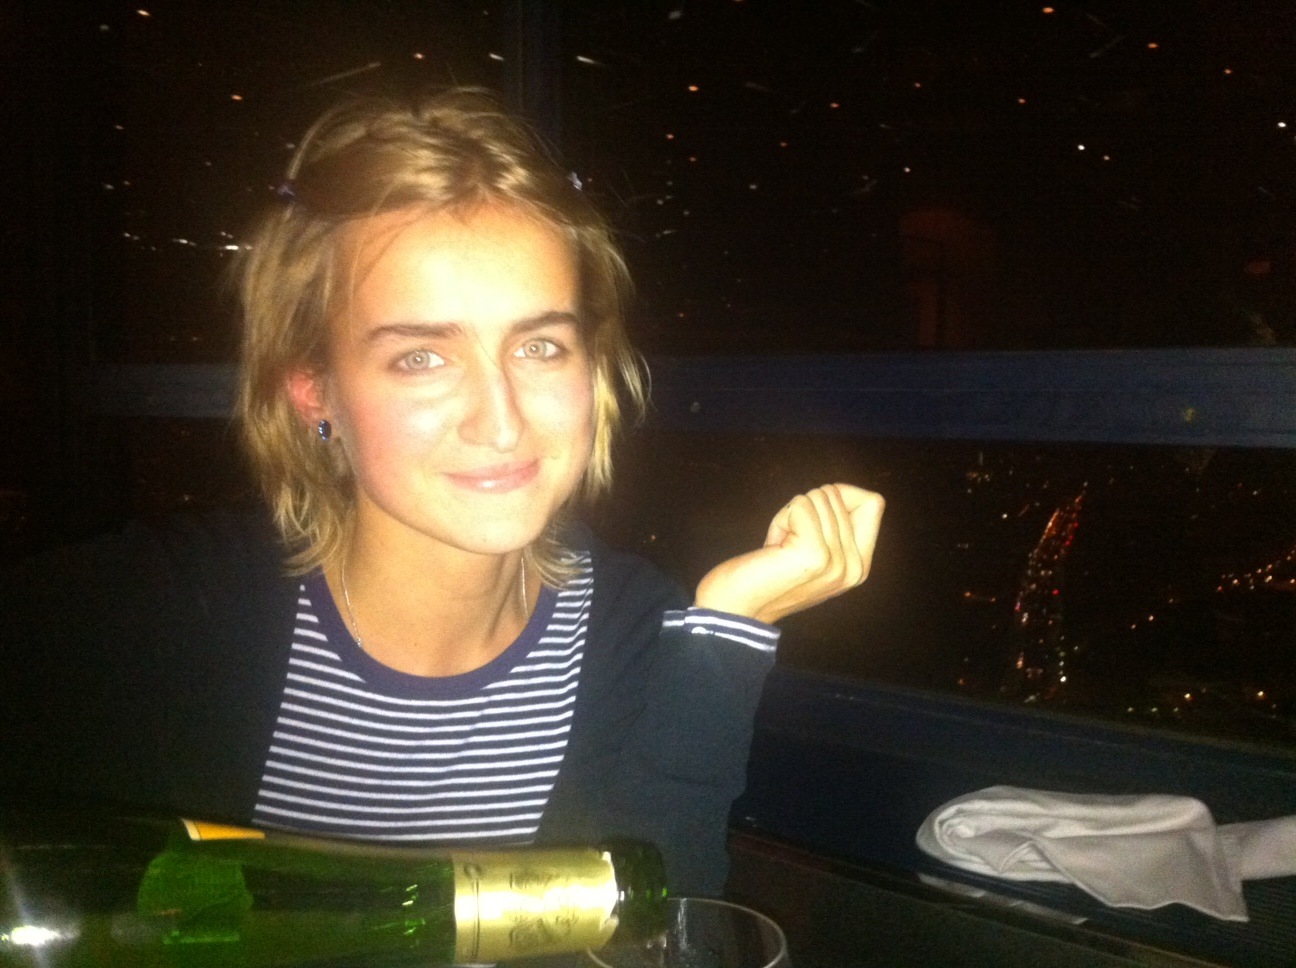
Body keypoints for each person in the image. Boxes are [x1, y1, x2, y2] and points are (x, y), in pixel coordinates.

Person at [0, 89, 883, 897]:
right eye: (421, 357)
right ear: (314, 391)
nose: (501, 422)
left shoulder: (638, 635)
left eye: (540, 346)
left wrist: (730, 629)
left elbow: (650, 927)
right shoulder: (148, 619)